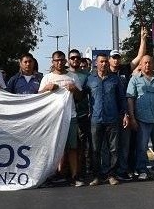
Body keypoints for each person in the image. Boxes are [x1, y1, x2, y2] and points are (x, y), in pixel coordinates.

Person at [39, 51, 84, 186]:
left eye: (61, 60)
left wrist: (74, 89)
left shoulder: (73, 76)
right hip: (52, 117)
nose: (59, 62)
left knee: (72, 147)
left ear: (65, 61)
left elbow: (80, 97)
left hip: (70, 116)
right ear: (52, 62)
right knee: (53, 147)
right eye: (56, 60)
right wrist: (46, 88)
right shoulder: (47, 78)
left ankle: (74, 176)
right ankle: (54, 174)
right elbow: (38, 97)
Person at [112, 26, 148, 180]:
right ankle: (111, 171)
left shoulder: (126, 69)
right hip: (110, 114)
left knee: (126, 145)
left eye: (118, 57)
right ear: (108, 60)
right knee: (112, 146)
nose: (116, 60)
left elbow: (140, 56)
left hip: (126, 112)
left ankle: (124, 169)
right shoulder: (104, 73)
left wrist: (143, 38)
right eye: (113, 57)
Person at [127, 55, 154, 180]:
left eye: (150, 63)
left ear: (153, 65)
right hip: (141, 120)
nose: (147, 65)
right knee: (142, 146)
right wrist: (132, 118)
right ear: (140, 65)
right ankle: (142, 169)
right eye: (145, 63)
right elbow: (130, 99)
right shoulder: (134, 79)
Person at [85, 54, 126, 186]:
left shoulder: (115, 79)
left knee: (113, 149)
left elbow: (122, 98)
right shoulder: (90, 79)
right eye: (101, 62)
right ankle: (97, 176)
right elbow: (82, 96)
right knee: (95, 149)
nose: (103, 64)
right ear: (96, 63)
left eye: (105, 62)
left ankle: (111, 175)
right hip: (96, 120)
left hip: (112, 119)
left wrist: (125, 114)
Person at [68, 48, 92, 184]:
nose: (75, 60)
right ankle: (66, 173)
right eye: (72, 58)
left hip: (83, 115)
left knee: (82, 146)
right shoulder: (63, 74)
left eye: (77, 58)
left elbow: (90, 94)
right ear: (68, 59)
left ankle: (81, 173)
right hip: (66, 116)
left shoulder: (87, 75)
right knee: (68, 147)